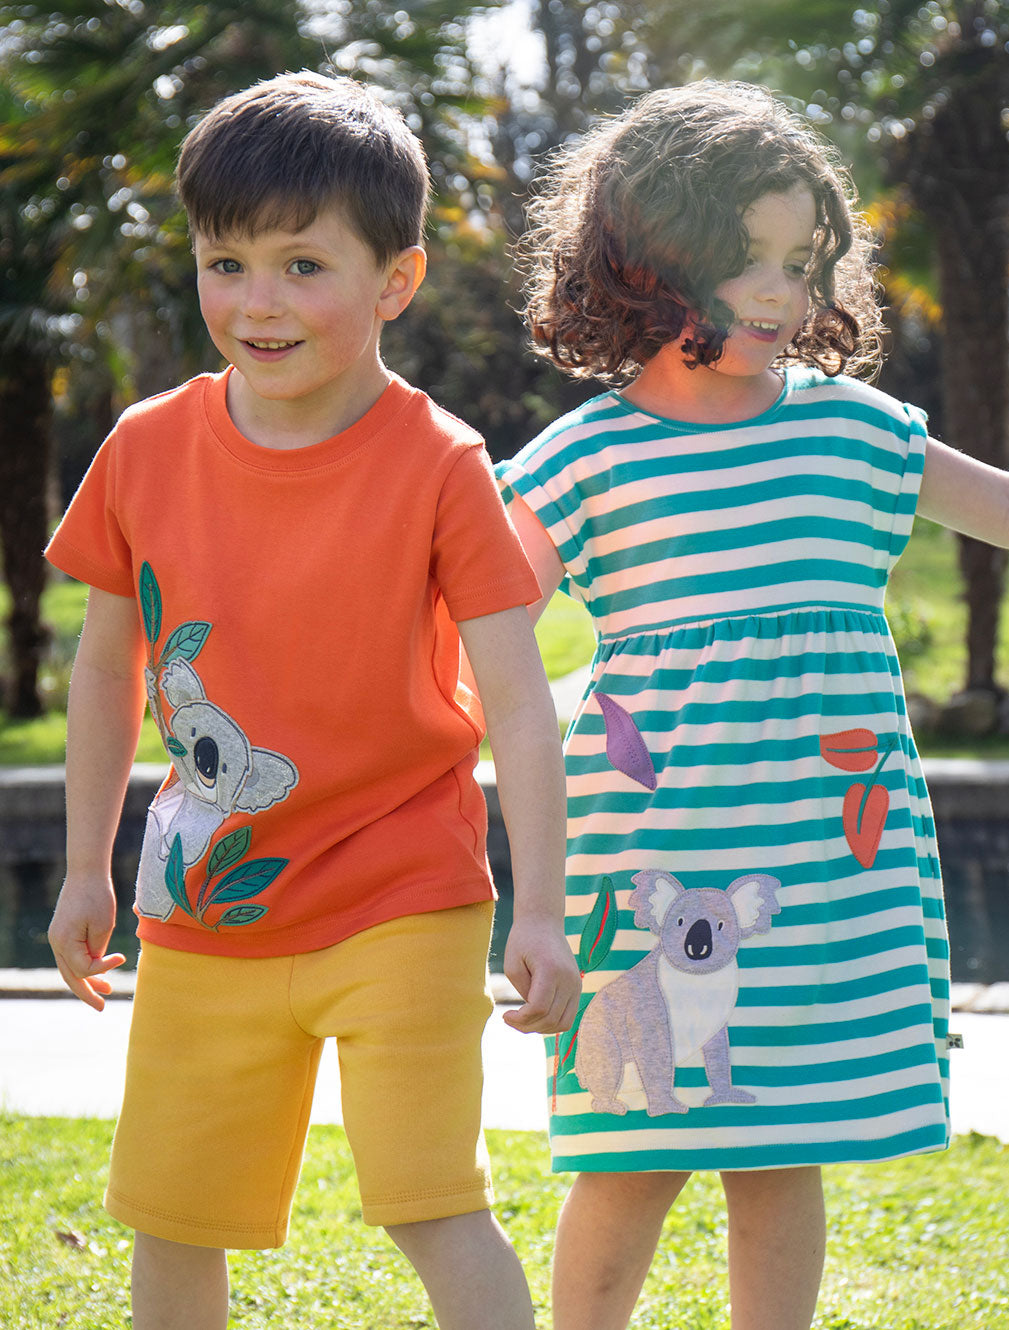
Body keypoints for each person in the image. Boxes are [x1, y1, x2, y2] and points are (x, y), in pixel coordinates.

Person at [497, 80, 1009, 1330]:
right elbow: (477, 622)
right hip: (658, 850)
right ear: (643, 260)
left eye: (800, 262)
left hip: (822, 856)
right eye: (744, 262)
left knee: (784, 1139)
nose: (779, 294)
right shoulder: (583, 458)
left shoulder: (854, 435)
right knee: (634, 1148)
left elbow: (1005, 502)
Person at [44, 71, 579, 1330]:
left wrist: (543, 909)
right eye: (225, 263)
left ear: (396, 280)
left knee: (430, 1202)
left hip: (405, 892)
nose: (256, 302)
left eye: (301, 265)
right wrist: (84, 868)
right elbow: (105, 668)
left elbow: (518, 698)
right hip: (205, 902)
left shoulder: (443, 463)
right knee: (175, 1215)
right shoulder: (142, 448)